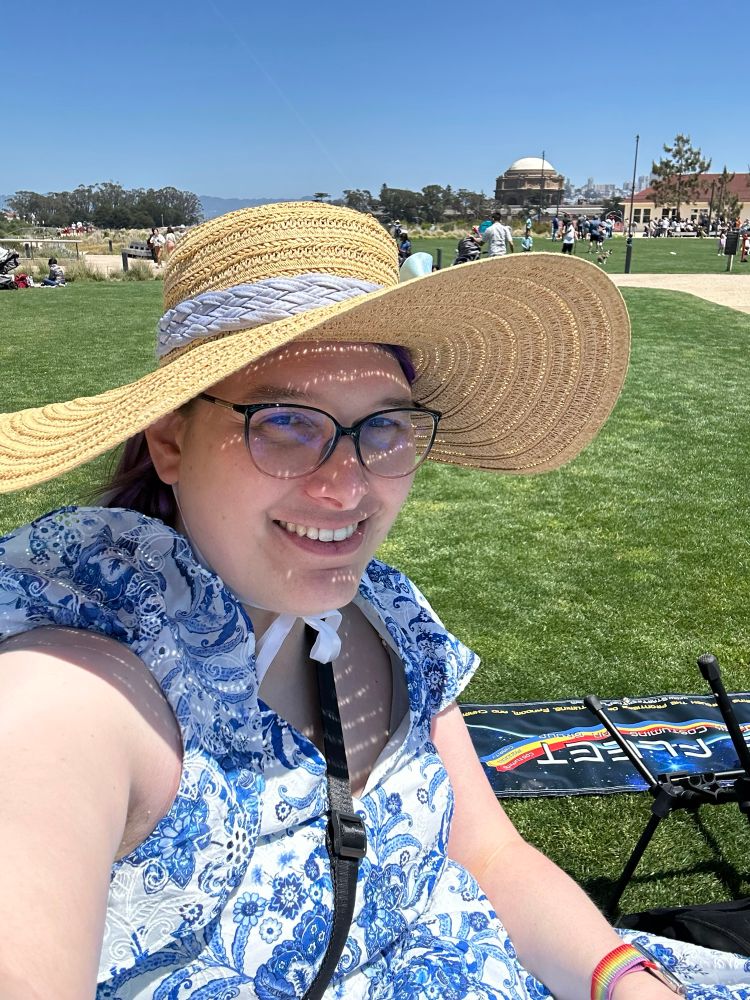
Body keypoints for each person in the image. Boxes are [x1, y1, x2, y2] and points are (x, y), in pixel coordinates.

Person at [0, 202, 745, 999]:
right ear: (171, 441)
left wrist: (628, 984)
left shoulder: (391, 615)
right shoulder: (73, 690)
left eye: (384, 427)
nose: (348, 484)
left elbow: (486, 854)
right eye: (284, 422)